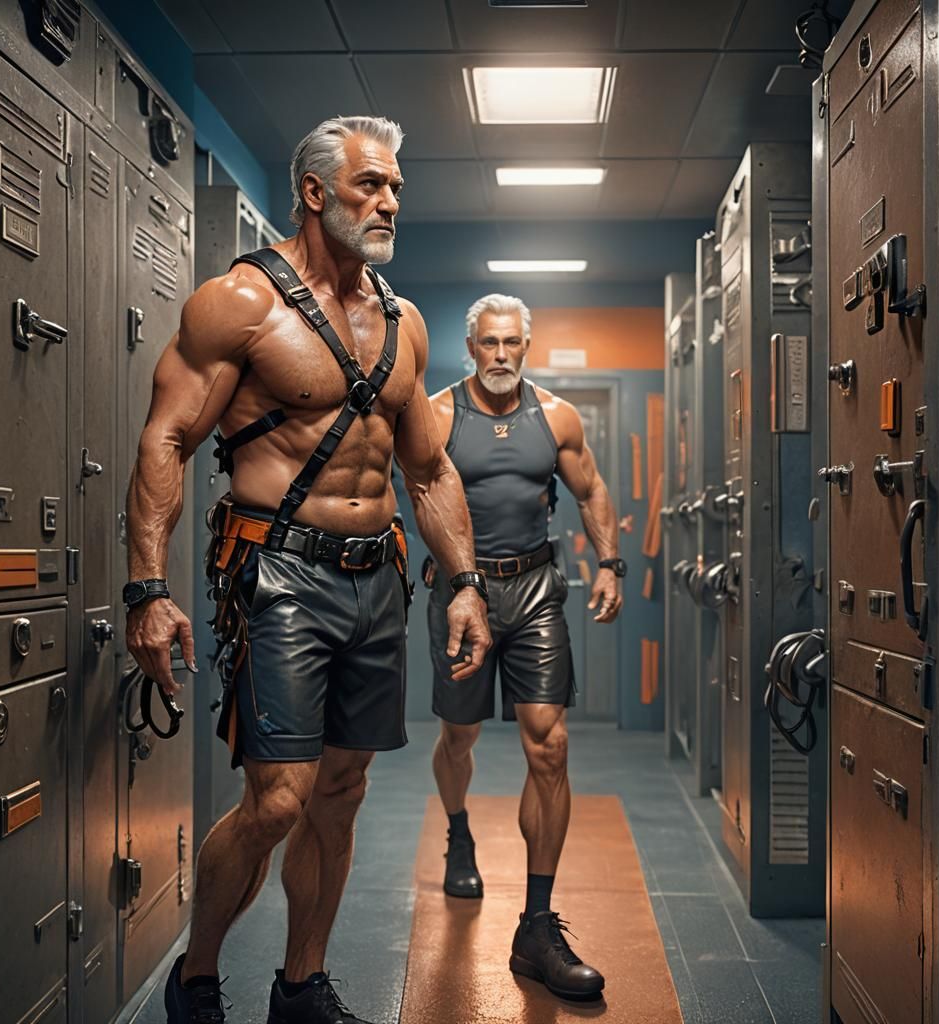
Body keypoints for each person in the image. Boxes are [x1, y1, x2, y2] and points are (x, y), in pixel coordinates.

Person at [124, 115, 491, 1024]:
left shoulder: (403, 325)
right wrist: (148, 588)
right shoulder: (241, 305)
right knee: (278, 800)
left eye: (397, 186)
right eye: (372, 184)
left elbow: (430, 468)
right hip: (278, 574)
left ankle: (301, 986)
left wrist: (466, 583)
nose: (390, 201)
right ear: (317, 192)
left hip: (378, 578)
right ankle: (198, 976)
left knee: (341, 792)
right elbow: (168, 435)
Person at [425, 293, 626, 1002]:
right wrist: (461, 583)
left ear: (527, 344)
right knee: (460, 736)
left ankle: (537, 925)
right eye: (489, 343)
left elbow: (594, 488)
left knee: (550, 744)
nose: (502, 355)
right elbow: (420, 500)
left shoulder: (557, 416)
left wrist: (609, 562)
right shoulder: (439, 415)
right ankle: (458, 832)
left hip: (536, 589)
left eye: (513, 342)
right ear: (470, 346)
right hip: (460, 594)